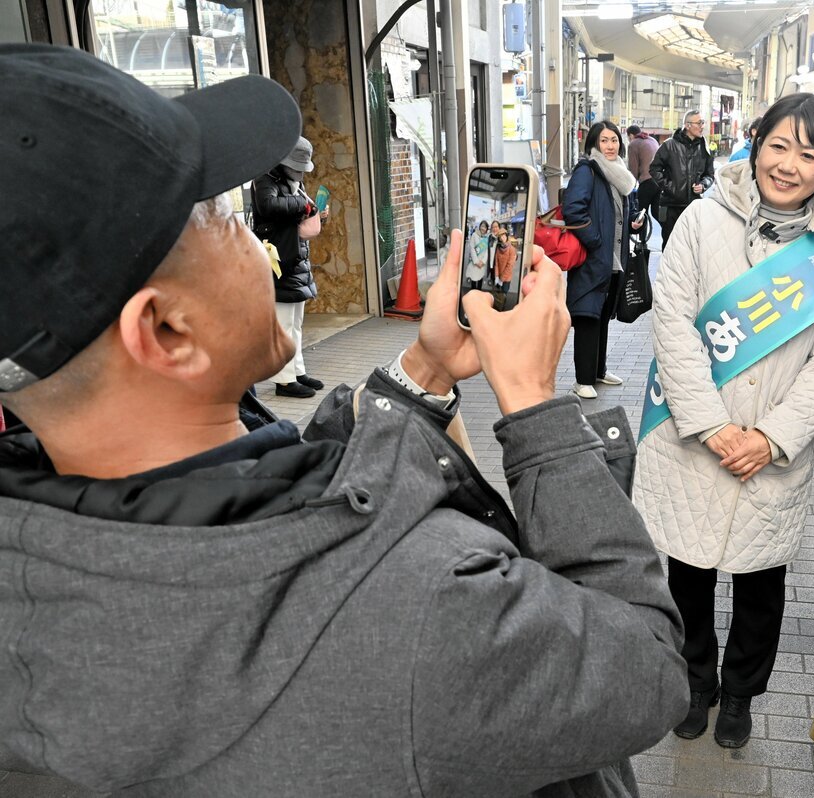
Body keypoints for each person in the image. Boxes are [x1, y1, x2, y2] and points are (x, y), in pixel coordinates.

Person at [0, 44, 688, 796]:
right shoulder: (422, 614)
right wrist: (533, 404)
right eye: (219, 217)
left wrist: (419, 376)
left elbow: (301, 504)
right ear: (165, 331)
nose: (257, 243)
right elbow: (645, 668)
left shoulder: (47, 563)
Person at [634, 93, 814, 749]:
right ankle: (695, 683)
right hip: (694, 439)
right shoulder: (702, 220)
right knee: (688, 575)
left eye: (808, 154)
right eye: (778, 145)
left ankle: (740, 696)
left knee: (762, 588)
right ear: (756, 144)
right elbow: (672, 325)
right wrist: (712, 425)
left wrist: (772, 438)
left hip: (772, 450)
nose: (788, 164)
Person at [562, 121, 642, 399]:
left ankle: (598, 371)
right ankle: (582, 380)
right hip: (593, 259)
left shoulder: (619, 173)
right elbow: (573, 209)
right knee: (588, 317)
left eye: (614, 140)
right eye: (604, 141)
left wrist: (634, 221)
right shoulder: (588, 171)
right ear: (594, 144)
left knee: (603, 317)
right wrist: (595, 241)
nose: (610, 146)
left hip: (615, 260)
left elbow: (622, 212)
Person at [253, 135, 328, 398]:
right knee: (284, 324)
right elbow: (268, 205)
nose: (300, 173)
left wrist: (315, 213)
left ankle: (296, 371)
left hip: (295, 258)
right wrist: (305, 205)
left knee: (295, 323)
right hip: (278, 259)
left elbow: (297, 216)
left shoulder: (291, 182)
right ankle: (284, 380)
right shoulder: (265, 179)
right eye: (297, 166)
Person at [649, 109, 715, 247]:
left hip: (693, 206)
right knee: (670, 245)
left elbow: (709, 175)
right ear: (687, 125)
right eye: (699, 123)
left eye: (703, 122)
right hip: (671, 206)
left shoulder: (704, 146)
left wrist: (703, 185)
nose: (702, 126)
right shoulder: (669, 145)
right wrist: (670, 187)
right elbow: (654, 169)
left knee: (691, 247)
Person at [626, 123, 661, 217]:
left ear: (630, 135)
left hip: (647, 182)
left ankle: (642, 232)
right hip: (659, 181)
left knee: (641, 214)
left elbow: (633, 171)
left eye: (628, 138)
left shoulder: (633, 144)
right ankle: (669, 231)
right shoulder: (652, 140)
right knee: (656, 213)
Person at [465, 219, 489, 290]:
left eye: (485, 227)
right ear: (479, 227)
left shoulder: (486, 238)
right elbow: (472, 249)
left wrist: (483, 261)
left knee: (480, 279)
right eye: (482, 226)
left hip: (482, 263)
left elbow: (487, 251)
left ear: (487, 229)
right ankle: (473, 294)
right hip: (475, 262)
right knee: (474, 279)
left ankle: (478, 293)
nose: (483, 228)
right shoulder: (474, 235)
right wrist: (476, 261)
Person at [492, 230, 516, 294]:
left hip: (506, 278)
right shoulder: (498, 248)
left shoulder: (512, 249)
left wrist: (501, 279)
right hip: (499, 276)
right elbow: (496, 263)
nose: (502, 238)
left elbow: (510, 266)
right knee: (497, 294)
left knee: (503, 295)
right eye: (500, 236)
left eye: (503, 235)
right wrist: (496, 276)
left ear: (506, 236)